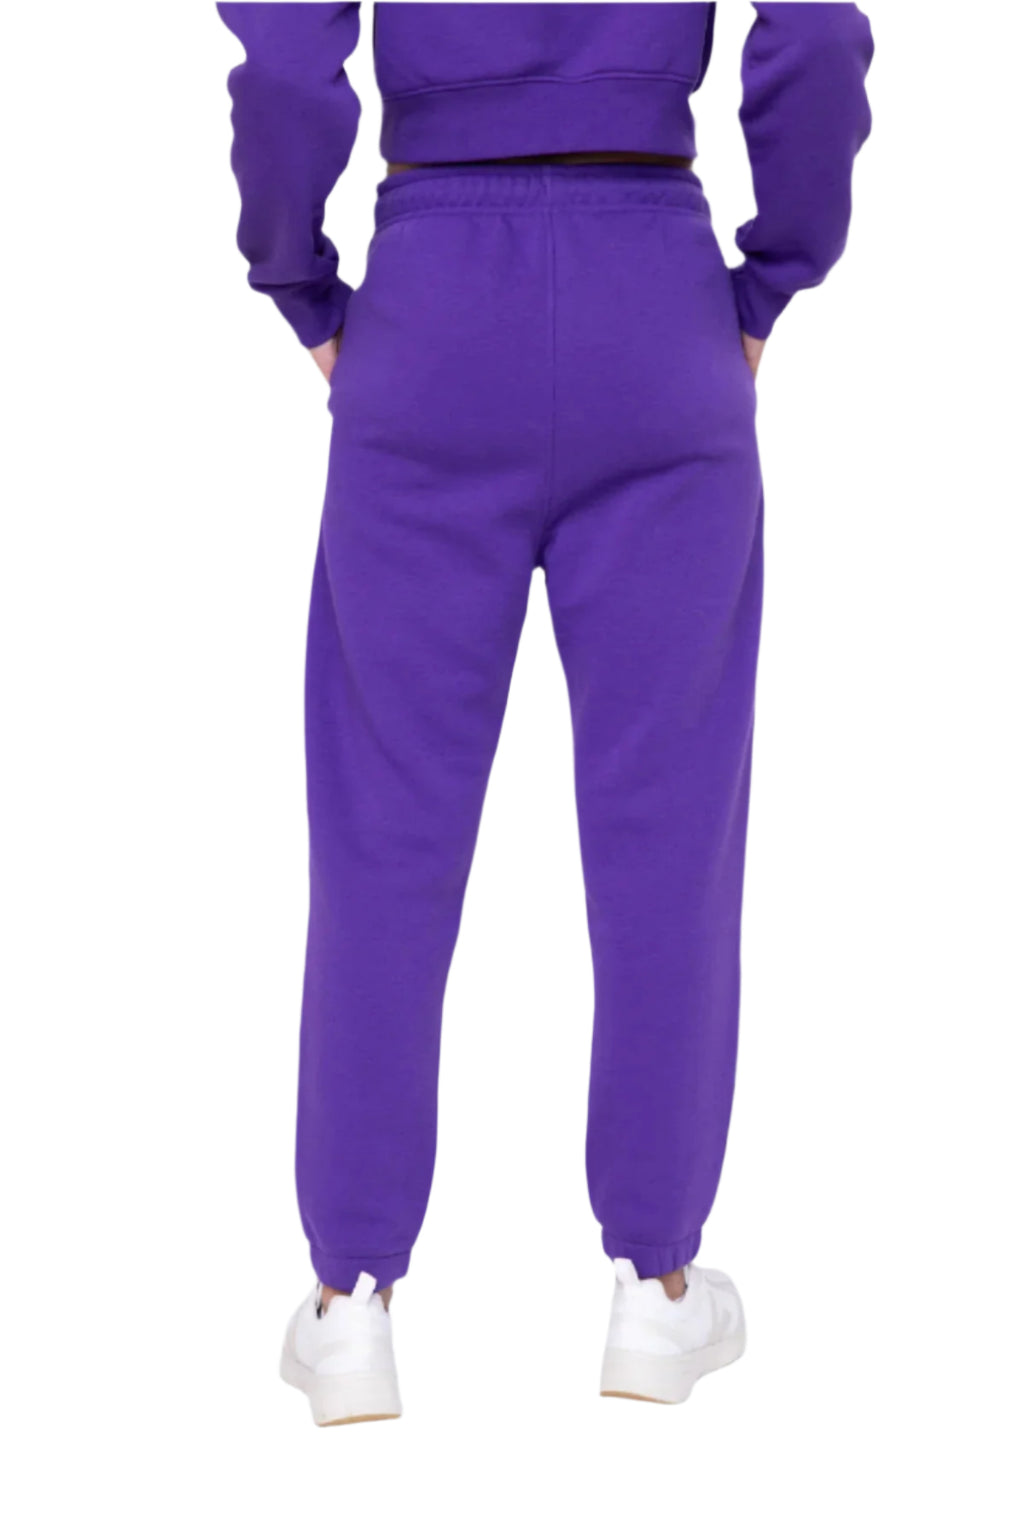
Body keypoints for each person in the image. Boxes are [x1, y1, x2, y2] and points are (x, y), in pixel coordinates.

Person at [218, 0, 873, 1425]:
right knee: (669, 829)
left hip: (431, 306)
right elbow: (819, 31)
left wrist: (300, 282)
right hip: (658, 306)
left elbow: (282, 64)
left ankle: (350, 1304)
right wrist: (774, 275)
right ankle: (656, 1288)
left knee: (384, 832)